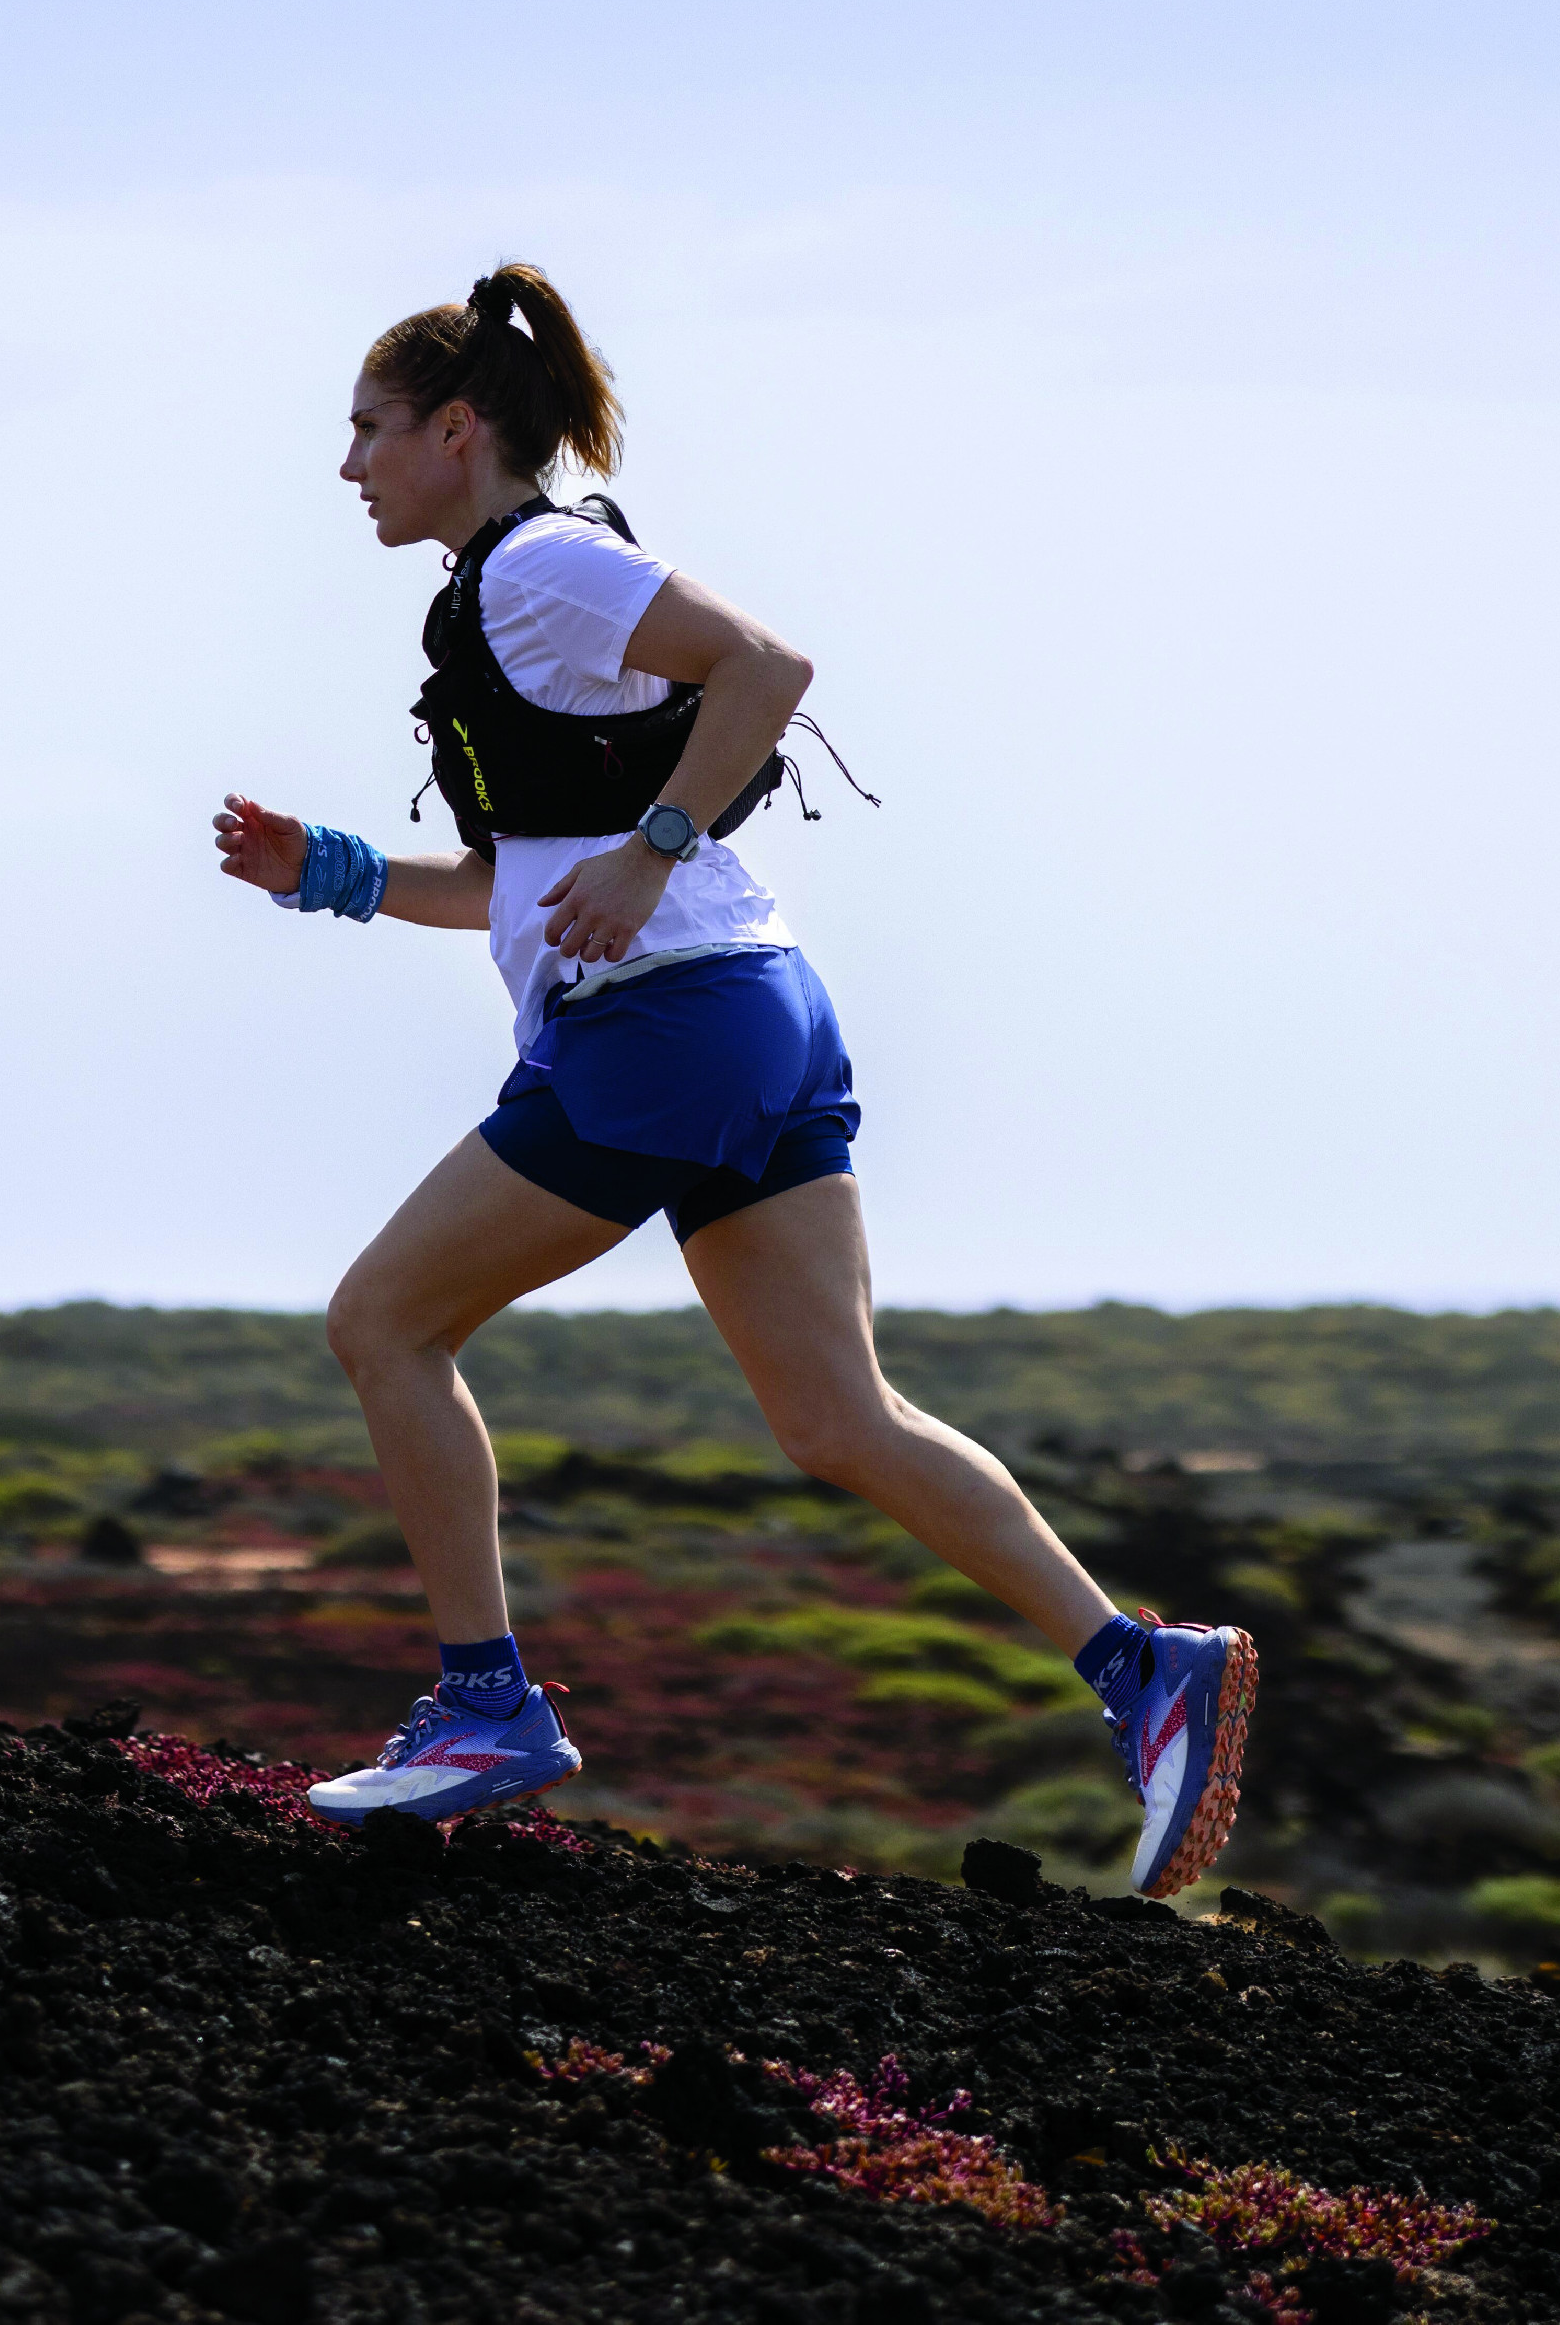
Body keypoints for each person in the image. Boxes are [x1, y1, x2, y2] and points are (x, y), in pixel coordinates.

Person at [210, 264, 1255, 1897]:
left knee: (383, 1322)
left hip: (668, 1024)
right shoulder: (511, 597)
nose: (346, 466)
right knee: (837, 1419)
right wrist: (329, 875)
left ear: (457, 428)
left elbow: (767, 667)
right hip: (754, 1007)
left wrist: (651, 844)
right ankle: (1140, 1666)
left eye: (368, 429)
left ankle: (485, 1709)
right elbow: (517, 877)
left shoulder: (540, 565)